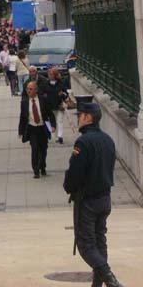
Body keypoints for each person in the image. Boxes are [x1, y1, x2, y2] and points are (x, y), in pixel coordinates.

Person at [63, 102, 122, 287]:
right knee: (99, 241)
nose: (79, 118)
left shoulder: (83, 142)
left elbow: (75, 173)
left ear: (88, 118)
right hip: (104, 198)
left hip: (87, 200)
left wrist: (69, 187)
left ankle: (110, 279)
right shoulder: (108, 140)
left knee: (86, 245)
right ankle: (97, 284)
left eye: (80, 115)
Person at [19, 81, 55, 178]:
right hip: (32, 129)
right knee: (34, 149)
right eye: (27, 89)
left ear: (36, 90)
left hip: (42, 128)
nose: (28, 91)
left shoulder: (43, 100)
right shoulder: (24, 102)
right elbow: (22, 117)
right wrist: (20, 131)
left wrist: (53, 125)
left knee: (43, 149)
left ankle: (42, 167)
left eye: (30, 89)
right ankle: (36, 170)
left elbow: (50, 114)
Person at [46, 66, 69, 144]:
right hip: (50, 106)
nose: (50, 76)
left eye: (51, 74)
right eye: (49, 74)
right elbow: (43, 93)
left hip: (59, 105)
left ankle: (60, 136)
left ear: (55, 75)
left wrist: (62, 94)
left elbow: (66, 94)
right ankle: (55, 136)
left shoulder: (61, 83)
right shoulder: (46, 84)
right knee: (53, 121)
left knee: (60, 121)